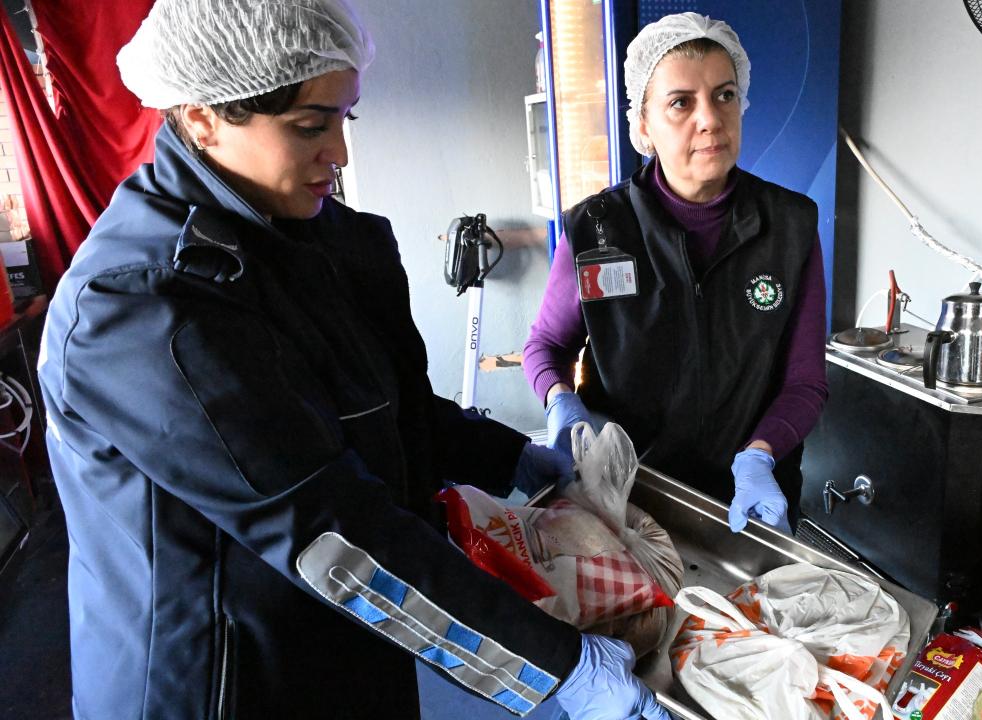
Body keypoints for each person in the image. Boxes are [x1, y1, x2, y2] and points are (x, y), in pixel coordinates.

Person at [38, 1, 669, 718]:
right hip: (224, 678)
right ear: (204, 118)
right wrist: (562, 668)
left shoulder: (309, 236)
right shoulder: (144, 307)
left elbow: (385, 407)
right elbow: (325, 528)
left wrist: (514, 457)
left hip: (347, 638)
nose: (338, 152)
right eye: (310, 126)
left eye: (346, 118)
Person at [524, 13, 829, 534]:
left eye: (725, 95)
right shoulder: (597, 230)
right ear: (643, 125)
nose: (710, 118)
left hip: (748, 503)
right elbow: (546, 346)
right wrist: (561, 402)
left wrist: (760, 455)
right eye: (681, 103)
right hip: (624, 496)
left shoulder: (790, 226)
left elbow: (805, 381)